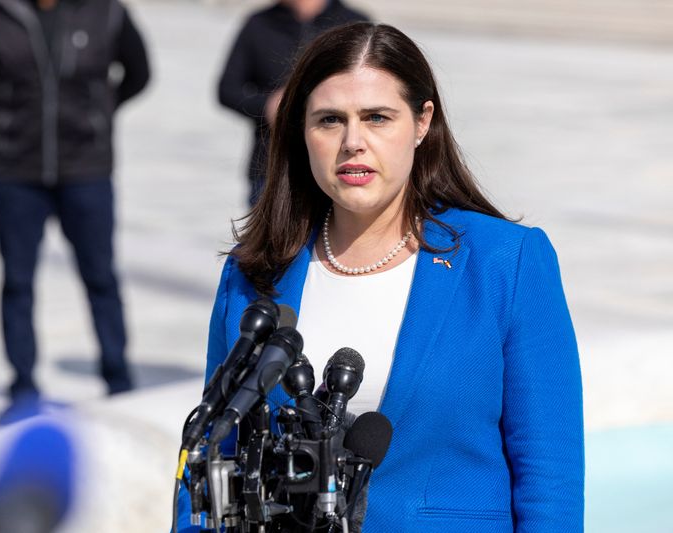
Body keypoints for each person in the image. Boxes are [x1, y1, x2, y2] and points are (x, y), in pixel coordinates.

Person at [181, 23, 584, 532]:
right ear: (300, 131)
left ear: (421, 122)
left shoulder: (507, 261)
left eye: (377, 118)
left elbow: (550, 477)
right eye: (330, 120)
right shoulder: (252, 272)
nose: (354, 142)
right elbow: (210, 457)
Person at [0, 0, 151, 424]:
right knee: (17, 282)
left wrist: (99, 112)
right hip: (16, 172)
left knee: (100, 278)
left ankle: (119, 381)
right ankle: (22, 388)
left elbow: (139, 72)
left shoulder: (107, 12)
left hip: (86, 170)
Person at [217, 0, 367, 205]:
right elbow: (227, 90)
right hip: (271, 166)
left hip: (337, 163)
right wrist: (267, 105)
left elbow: (370, 88)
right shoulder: (259, 23)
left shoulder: (352, 21)